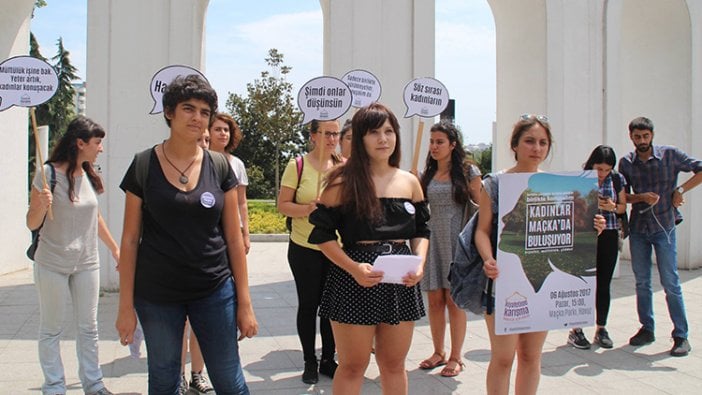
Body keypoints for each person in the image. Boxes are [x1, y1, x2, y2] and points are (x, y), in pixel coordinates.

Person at [115, 74, 258, 394]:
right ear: (169, 112)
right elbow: (129, 238)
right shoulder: (142, 164)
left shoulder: (220, 167)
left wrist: (244, 302)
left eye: (205, 112)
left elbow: (234, 239)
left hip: (214, 289)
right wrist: (125, 306)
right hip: (157, 295)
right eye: (188, 109)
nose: (197, 118)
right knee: (164, 379)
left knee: (228, 377)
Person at [475, 114, 605, 395]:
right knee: (503, 358)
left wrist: (594, 225)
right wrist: (488, 258)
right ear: (515, 145)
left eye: (543, 142)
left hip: (542, 287)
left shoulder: (561, 185)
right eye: (529, 141)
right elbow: (481, 231)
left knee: (532, 356)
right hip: (503, 284)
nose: (536, 148)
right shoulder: (495, 184)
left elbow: (568, 234)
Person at [308, 103, 430, 394]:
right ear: (360, 138)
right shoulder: (342, 181)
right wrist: (353, 268)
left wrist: (420, 264)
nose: (383, 139)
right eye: (374, 132)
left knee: (394, 364)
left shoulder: (410, 181)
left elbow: (422, 231)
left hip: (400, 280)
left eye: (389, 131)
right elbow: (322, 236)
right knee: (353, 365)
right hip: (354, 280)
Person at [26, 116, 120, 395]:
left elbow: (95, 216)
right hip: (52, 261)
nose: (100, 148)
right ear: (80, 143)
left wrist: (114, 248)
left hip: (86, 262)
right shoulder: (46, 174)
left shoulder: (89, 172)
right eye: (97, 142)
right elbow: (32, 223)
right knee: (51, 328)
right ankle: (54, 386)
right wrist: (41, 206)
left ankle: (94, 385)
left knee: (89, 327)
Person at [618, 116, 702, 357]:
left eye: (645, 136)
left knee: (670, 282)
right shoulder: (626, 163)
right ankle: (647, 328)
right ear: (631, 137)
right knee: (642, 282)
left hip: (664, 226)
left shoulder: (670, 155)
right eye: (637, 137)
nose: (642, 141)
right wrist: (641, 196)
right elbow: (623, 197)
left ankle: (681, 335)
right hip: (639, 229)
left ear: (652, 135)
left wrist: (680, 190)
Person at [277, 119, 342, 384]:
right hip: (304, 247)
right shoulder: (298, 165)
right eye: (326, 133)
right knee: (309, 305)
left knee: (331, 307)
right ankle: (309, 360)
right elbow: (283, 205)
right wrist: (306, 210)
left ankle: (328, 358)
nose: (331, 139)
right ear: (313, 136)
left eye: (335, 134)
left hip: (335, 248)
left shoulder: (343, 167)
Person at [418, 121, 481, 377]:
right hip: (433, 239)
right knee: (435, 299)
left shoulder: (468, 171)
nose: (434, 146)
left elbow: (481, 207)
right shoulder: (427, 173)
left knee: (454, 301)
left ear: (453, 145)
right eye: (432, 141)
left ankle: (456, 356)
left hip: (458, 240)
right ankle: (438, 352)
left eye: (439, 142)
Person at [567, 145, 627, 350]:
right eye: (599, 168)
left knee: (603, 283)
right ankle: (576, 329)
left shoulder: (617, 179)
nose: (602, 173)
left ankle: (601, 328)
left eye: (606, 169)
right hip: (586, 234)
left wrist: (612, 207)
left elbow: (622, 207)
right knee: (582, 282)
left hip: (609, 233)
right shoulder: (581, 179)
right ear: (592, 163)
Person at [210, 113, 250, 254]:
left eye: (226, 130)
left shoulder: (237, 164)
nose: (223, 134)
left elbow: (242, 202)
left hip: (233, 228)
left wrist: (245, 234)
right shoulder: (200, 161)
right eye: (218, 129)